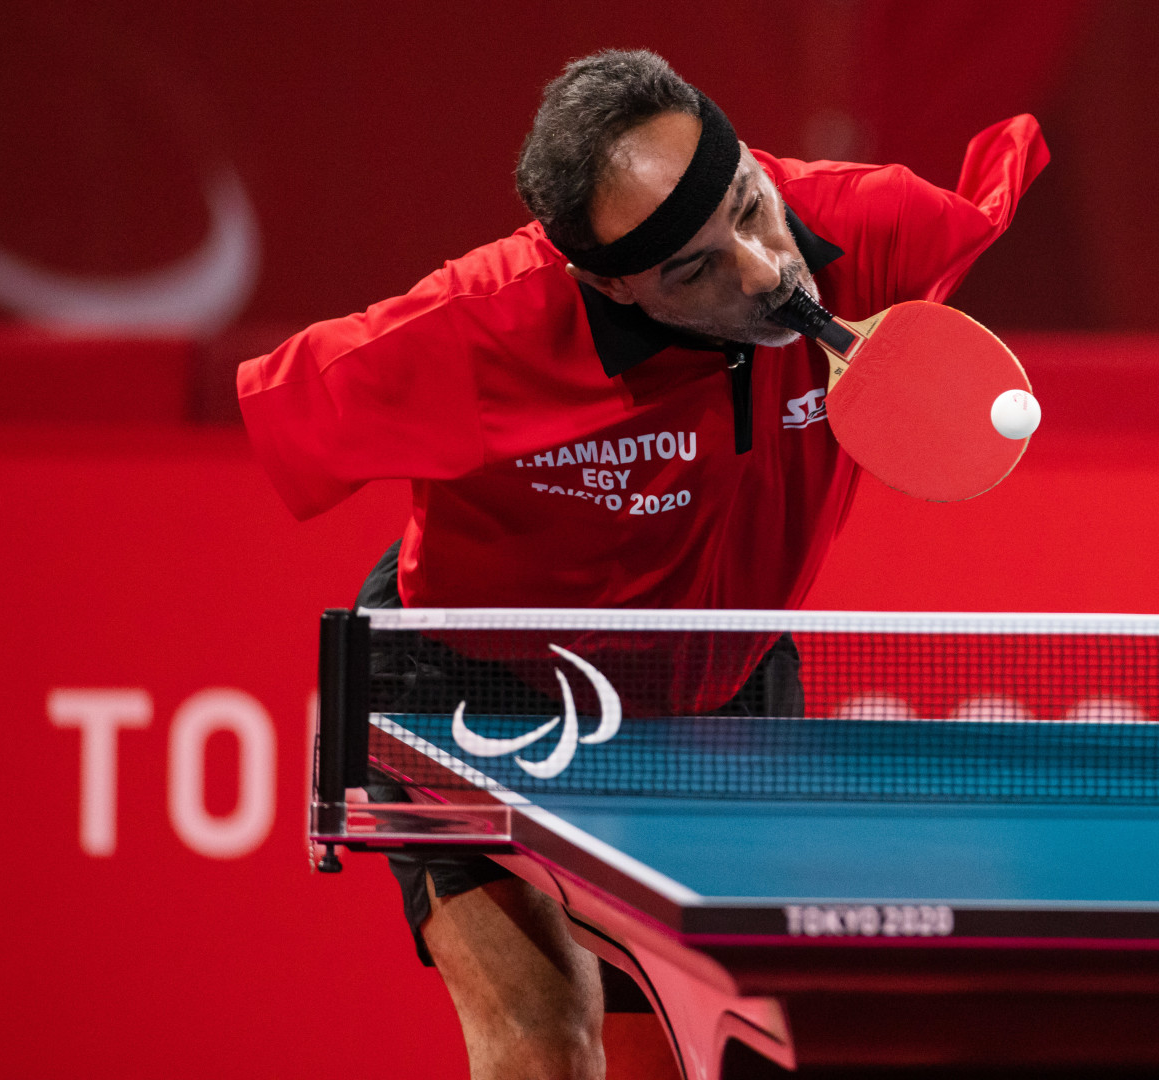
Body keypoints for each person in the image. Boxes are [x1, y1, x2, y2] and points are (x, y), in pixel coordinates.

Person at [239, 48, 1046, 1080]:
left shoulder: (880, 229)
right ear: (605, 283)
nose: (760, 270)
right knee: (544, 1033)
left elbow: (986, 202)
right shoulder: (478, 326)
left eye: (749, 210)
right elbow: (286, 407)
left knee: (729, 1047)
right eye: (693, 270)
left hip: (718, 688)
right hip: (476, 687)